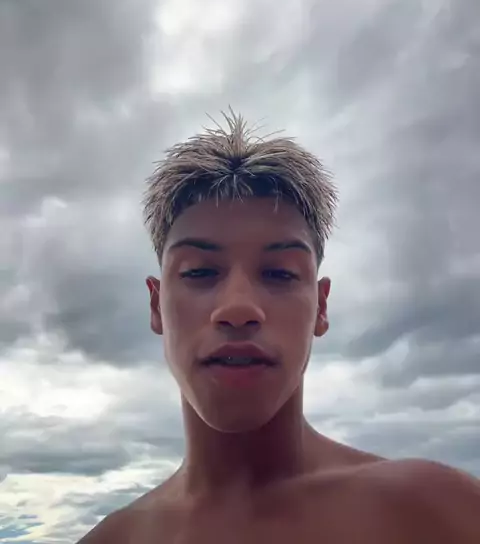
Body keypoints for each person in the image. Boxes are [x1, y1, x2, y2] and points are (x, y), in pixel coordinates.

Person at [78, 112, 479, 543]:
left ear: (321, 306)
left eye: (280, 273)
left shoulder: (436, 512)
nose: (238, 308)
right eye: (198, 272)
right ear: (156, 304)